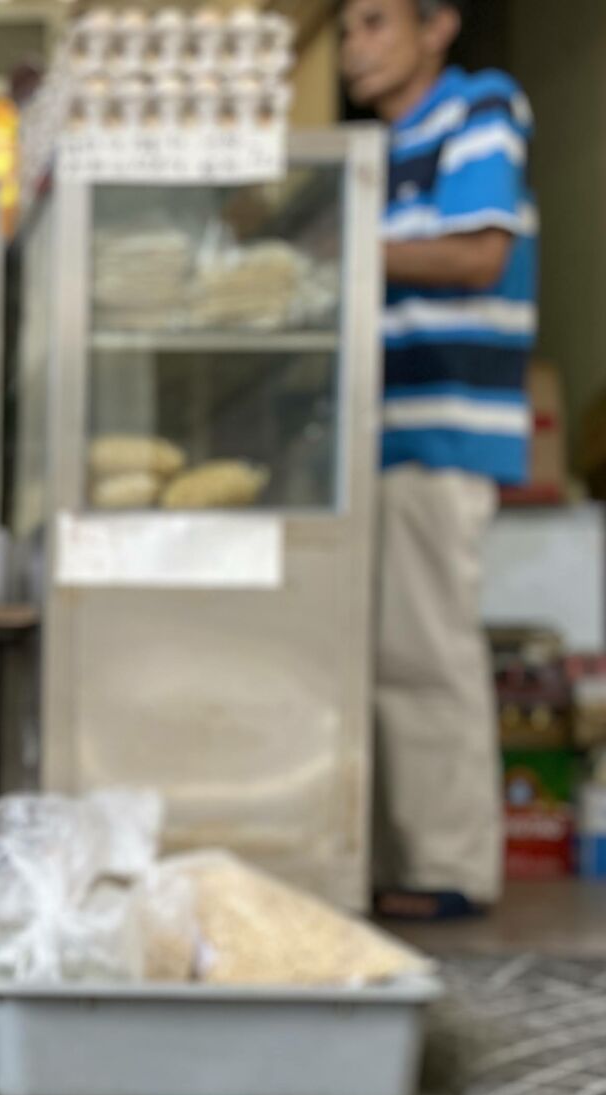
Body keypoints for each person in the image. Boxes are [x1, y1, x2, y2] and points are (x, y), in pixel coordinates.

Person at [342, 0, 536, 919]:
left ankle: (450, 868)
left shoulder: (479, 110)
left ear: (439, 25)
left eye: (377, 22)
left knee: (426, 653)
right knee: (382, 653)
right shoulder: (372, 158)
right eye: (347, 29)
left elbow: (478, 255)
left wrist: (337, 248)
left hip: (442, 425)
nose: (355, 47)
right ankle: (396, 860)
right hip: (377, 435)